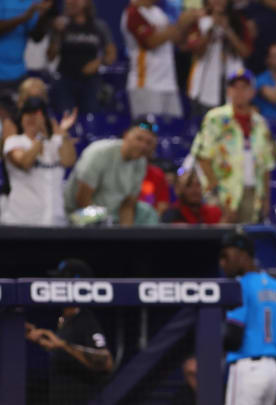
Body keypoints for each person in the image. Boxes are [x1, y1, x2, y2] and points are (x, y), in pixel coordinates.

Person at [190, 67, 276, 223]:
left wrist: (266, 200)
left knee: (248, 241)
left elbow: (266, 166)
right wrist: (217, 195)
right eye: (234, 87)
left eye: (244, 87)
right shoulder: (215, 118)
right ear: (228, 91)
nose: (239, 92)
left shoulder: (260, 123)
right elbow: (202, 157)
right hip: (222, 193)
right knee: (220, 240)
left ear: (252, 92)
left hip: (252, 193)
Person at [220, 232, 276, 405]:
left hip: (247, 368)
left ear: (243, 255)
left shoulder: (239, 285)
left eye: (226, 256)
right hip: (273, 371)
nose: (222, 263)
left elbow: (233, 338)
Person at [25, 259, 114, 405]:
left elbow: (106, 362)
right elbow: (65, 352)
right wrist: (40, 339)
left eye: (59, 281)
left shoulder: (85, 320)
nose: (54, 286)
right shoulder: (65, 320)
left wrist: (62, 346)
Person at [64, 118, 159, 225]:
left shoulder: (141, 163)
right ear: (126, 135)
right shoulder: (100, 152)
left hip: (110, 214)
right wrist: (104, 226)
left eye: (149, 143)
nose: (143, 146)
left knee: (147, 213)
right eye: (139, 139)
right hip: (78, 214)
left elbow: (128, 204)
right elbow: (82, 199)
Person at [1, 98, 76, 225]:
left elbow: (69, 161)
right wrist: (40, 136)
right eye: (28, 113)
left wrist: (62, 132)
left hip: (55, 221)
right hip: (21, 223)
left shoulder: (56, 143)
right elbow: (25, 162)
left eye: (36, 114)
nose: (32, 118)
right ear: (22, 118)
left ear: (45, 118)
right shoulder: (15, 142)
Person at [121, 0, 200, 118]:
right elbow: (151, 42)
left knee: (174, 130)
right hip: (146, 85)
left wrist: (188, 23)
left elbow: (176, 39)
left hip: (169, 84)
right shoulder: (132, 13)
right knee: (149, 130)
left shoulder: (158, 12)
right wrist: (180, 24)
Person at [185, 0, 254, 115]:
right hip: (205, 88)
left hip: (232, 86)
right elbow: (197, 51)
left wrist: (227, 30)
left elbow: (245, 52)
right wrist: (212, 27)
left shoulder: (238, 20)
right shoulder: (199, 20)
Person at [47, 0, 117, 114]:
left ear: (86, 3)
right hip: (65, 81)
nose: (71, 3)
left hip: (91, 81)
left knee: (91, 116)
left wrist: (99, 62)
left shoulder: (99, 26)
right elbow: (50, 56)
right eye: (68, 2)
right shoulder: (61, 26)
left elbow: (111, 54)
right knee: (66, 117)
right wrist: (56, 34)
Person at [0, 0, 53, 115]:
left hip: (19, 72)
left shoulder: (33, 3)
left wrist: (42, 15)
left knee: (19, 117)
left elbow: (36, 37)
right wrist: (24, 17)